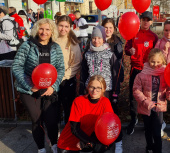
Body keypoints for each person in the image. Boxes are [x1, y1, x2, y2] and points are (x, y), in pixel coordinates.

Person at [12, 18, 65, 153]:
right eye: (41, 28)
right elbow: (17, 66)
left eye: (47, 29)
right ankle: (41, 148)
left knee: (52, 120)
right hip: (30, 90)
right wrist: (29, 85)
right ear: (37, 29)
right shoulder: (27, 45)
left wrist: (54, 86)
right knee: (37, 119)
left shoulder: (55, 47)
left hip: (49, 89)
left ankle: (54, 144)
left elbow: (60, 68)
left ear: (52, 31)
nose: (44, 32)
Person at [133, 48, 170, 153]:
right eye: (153, 61)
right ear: (148, 60)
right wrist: (145, 102)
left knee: (157, 132)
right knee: (148, 130)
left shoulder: (166, 73)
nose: (155, 64)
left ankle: (158, 150)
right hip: (146, 107)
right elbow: (136, 90)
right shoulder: (141, 75)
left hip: (159, 107)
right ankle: (149, 147)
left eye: (158, 62)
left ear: (162, 61)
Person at [57, 75, 114, 153]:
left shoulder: (105, 102)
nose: (94, 91)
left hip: (85, 142)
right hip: (68, 144)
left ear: (103, 89)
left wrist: (91, 143)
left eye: (98, 88)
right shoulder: (79, 101)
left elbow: (108, 126)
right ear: (88, 87)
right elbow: (74, 129)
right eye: (92, 87)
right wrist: (89, 142)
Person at [125, 11, 158, 135]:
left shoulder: (154, 37)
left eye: (148, 20)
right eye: (143, 19)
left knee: (147, 96)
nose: (146, 22)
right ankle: (134, 119)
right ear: (140, 21)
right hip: (135, 70)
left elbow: (157, 54)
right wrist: (129, 51)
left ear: (151, 22)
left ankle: (147, 120)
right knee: (133, 96)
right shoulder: (133, 34)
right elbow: (126, 49)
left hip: (148, 70)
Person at [101, 18, 124, 153]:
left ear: (114, 29)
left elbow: (119, 63)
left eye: (110, 27)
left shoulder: (117, 43)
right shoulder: (97, 40)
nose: (108, 30)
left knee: (113, 111)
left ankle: (118, 140)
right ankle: (104, 136)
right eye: (106, 27)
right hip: (99, 84)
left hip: (113, 82)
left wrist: (118, 82)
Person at [56, 15, 81, 124]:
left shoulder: (72, 42)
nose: (63, 29)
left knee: (68, 108)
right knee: (53, 108)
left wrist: (63, 76)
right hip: (51, 80)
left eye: (66, 26)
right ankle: (54, 132)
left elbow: (76, 63)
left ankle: (68, 133)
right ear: (56, 24)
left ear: (70, 27)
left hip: (67, 80)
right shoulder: (51, 39)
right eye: (61, 25)